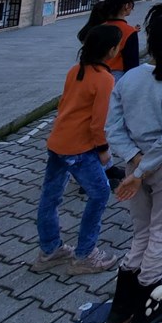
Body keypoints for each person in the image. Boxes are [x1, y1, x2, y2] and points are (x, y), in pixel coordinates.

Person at [103, 9, 162, 323]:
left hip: (136, 164)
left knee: (142, 229)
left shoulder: (129, 78)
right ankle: (149, 298)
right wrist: (142, 169)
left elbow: (112, 127)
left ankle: (121, 305)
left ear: (149, 43)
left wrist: (135, 161)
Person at [32, 24, 122, 276]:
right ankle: (85, 254)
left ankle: (49, 250)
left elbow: (63, 105)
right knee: (100, 193)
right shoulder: (105, 79)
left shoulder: (76, 70)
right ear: (111, 50)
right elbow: (99, 121)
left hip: (58, 142)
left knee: (50, 196)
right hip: (80, 148)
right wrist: (103, 149)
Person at [77, 0, 140, 81]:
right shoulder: (129, 31)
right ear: (127, 5)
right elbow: (132, 64)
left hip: (93, 73)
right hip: (117, 76)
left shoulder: (99, 28)